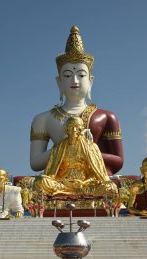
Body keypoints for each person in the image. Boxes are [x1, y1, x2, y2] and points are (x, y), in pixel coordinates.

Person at [30, 26, 123, 176]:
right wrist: (64, 146)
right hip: (57, 179)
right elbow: (35, 163)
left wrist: (88, 148)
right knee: (27, 182)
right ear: (59, 82)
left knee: (123, 184)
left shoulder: (106, 117)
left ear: (90, 81)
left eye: (81, 75)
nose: (74, 80)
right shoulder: (43, 119)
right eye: (67, 76)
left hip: (94, 178)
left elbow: (118, 161)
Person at [34, 116, 117, 197]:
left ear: (81, 129)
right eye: (71, 127)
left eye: (77, 127)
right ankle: (74, 192)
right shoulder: (58, 147)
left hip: (85, 184)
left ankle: (79, 191)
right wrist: (64, 182)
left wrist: (85, 182)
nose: (74, 130)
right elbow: (51, 172)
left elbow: (97, 172)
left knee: (109, 187)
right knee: (41, 182)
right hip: (63, 183)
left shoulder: (91, 146)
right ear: (66, 129)